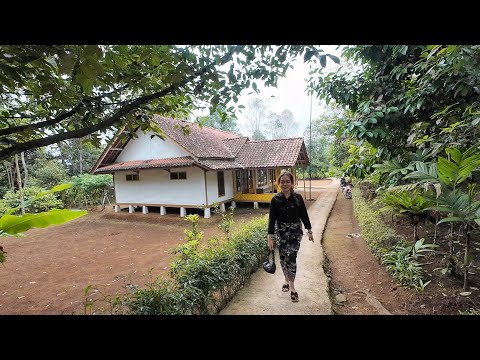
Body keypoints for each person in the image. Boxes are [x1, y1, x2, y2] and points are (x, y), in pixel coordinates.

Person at [267, 170, 314, 302]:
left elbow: (304, 215)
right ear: (279, 183)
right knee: (283, 258)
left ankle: (292, 288)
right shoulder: (275, 199)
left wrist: (309, 230)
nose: (285, 184)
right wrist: (270, 237)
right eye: (282, 182)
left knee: (291, 258)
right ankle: (286, 281)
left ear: (292, 183)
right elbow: (271, 219)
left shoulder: (298, 198)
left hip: (294, 233)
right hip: (280, 232)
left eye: (288, 182)